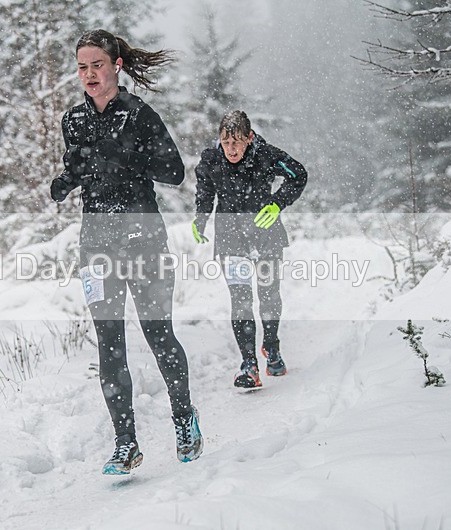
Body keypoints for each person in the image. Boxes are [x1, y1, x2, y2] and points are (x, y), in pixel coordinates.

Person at [50, 29, 202, 475]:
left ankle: (183, 419)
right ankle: (125, 443)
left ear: (116, 65)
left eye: (97, 64)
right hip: (96, 242)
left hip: (143, 238)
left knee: (158, 335)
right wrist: (65, 181)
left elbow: (173, 171)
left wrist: (127, 156)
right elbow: (81, 170)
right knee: (109, 345)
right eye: (82, 67)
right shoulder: (73, 121)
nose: (89, 74)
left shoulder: (139, 115)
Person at [193, 110, 308, 389]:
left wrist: (277, 203)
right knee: (241, 300)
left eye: (237, 142)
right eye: (226, 141)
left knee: (268, 294)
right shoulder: (211, 160)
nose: (231, 149)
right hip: (231, 237)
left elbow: (299, 175)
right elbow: (205, 192)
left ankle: (272, 345)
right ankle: (249, 364)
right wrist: (201, 217)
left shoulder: (267, 155)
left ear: (250, 138)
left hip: (265, 234)